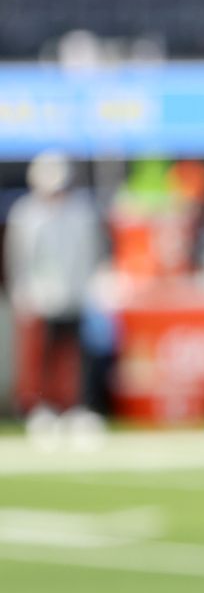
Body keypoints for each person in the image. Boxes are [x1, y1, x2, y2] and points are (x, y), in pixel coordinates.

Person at [3, 151, 106, 435]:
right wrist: (23, 292)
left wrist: (93, 285)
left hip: (76, 294)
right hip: (42, 296)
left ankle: (77, 409)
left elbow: (92, 251)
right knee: (42, 356)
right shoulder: (26, 214)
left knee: (76, 356)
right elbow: (19, 257)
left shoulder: (81, 212)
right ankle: (41, 408)